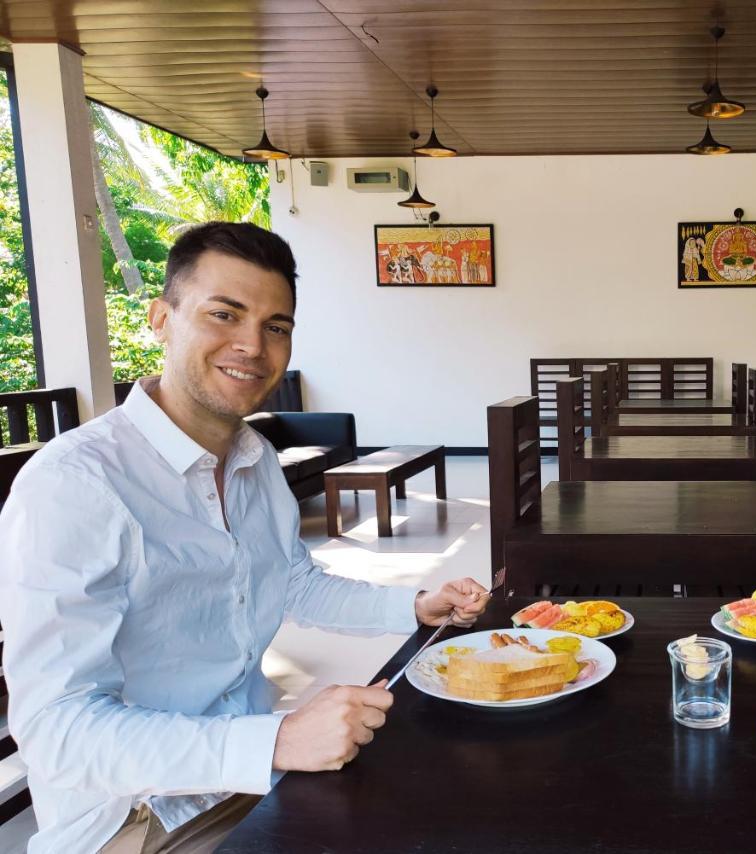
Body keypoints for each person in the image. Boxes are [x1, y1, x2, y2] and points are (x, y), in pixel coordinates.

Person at [0, 222, 491, 853]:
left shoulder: (254, 457)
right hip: (140, 817)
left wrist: (415, 606)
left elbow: (291, 582)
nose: (252, 346)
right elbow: (56, 729)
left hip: (252, 776)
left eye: (276, 326)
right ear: (161, 318)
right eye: (224, 314)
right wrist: (277, 739)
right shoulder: (76, 482)